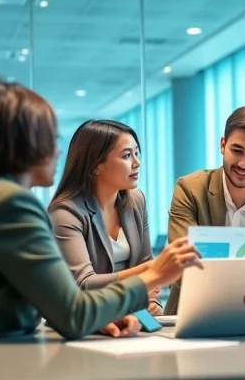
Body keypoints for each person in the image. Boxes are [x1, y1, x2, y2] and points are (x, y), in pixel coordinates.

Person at [0, 77, 202, 378]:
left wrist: (95, 316)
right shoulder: (6, 205)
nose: (58, 151)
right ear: (21, 145)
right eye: (50, 139)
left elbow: (58, 305)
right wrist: (155, 274)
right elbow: (75, 312)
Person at [163, 106, 245, 315]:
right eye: (237, 150)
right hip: (191, 314)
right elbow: (182, 265)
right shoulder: (189, 189)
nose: (244, 163)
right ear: (223, 145)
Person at [49, 120, 162, 316]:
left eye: (137, 153)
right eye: (127, 155)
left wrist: (152, 302)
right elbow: (83, 284)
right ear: (96, 165)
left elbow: (145, 264)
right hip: (90, 317)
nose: (137, 163)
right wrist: (152, 271)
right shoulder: (65, 213)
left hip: (132, 314)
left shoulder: (136, 200)